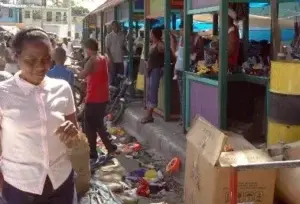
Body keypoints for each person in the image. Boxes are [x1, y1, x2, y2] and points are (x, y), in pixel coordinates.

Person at [0, 28, 79, 204]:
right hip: (20, 186)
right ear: (16, 57)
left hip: (61, 182)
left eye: (46, 59)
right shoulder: (3, 94)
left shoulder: (63, 88)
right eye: (31, 60)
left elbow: (76, 138)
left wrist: (73, 133)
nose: (40, 66)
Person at [76, 38, 117, 164]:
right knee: (98, 124)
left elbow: (82, 74)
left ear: (88, 49)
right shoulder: (103, 57)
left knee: (90, 126)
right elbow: (97, 73)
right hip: (103, 96)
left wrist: (75, 71)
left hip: (94, 97)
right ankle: (109, 147)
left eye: (84, 48)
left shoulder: (92, 60)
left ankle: (94, 152)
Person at [171, 22, 204, 125]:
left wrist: (191, 54)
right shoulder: (181, 38)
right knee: (183, 96)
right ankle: (183, 118)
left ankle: (188, 119)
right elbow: (177, 55)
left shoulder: (197, 38)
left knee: (189, 96)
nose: (181, 32)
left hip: (192, 70)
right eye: (181, 30)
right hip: (181, 70)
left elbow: (199, 54)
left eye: (182, 29)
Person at [141, 28, 164, 124]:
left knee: (153, 92)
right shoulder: (153, 45)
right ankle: (148, 114)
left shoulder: (160, 45)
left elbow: (168, 56)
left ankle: (149, 115)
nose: (150, 35)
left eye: (151, 34)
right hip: (151, 70)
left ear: (154, 35)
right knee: (150, 92)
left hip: (156, 70)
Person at [105, 20, 127, 86]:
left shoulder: (122, 35)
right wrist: (111, 59)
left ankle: (118, 93)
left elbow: (124, 46)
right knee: (112, 77)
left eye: (117, 25)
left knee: (120, 77)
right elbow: (107, 49)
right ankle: (112, 94)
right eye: (114, 26)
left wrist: (127, 52)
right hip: (113, 61)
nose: (116, 27)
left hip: (120, 60)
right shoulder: (109, 36)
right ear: (112, 27)